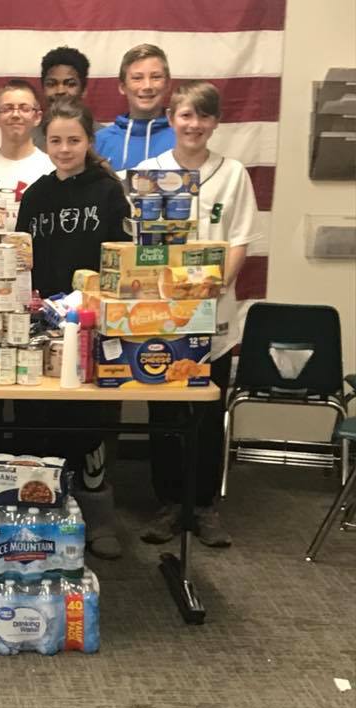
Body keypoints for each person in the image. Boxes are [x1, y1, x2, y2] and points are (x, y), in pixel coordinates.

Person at [137, 81, 259, 548]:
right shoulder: (150, 172)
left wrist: (212, 288)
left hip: (214, 314)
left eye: (204, 117)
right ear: (171, 118)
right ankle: (168, 504)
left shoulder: (233, 173)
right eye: (186, 115)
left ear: (215, 123)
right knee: (164, 413)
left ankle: (204, 507)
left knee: (207, 413)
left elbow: (241, 239)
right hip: (161, 313)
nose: (194, 125)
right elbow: (143, 244)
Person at [15, 98, 131, 559]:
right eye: (56, 140)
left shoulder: (108, 191)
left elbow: (121, 262)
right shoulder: (38, 194)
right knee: (38, 421)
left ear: (89, 141)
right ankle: (44, 515)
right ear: (45, 141)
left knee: (89, 427)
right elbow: (22, 261)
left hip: (91, 325)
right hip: (43, 327)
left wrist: (91, 301)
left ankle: (99, 517)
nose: (64, 149)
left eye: (74, 140)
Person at [94, 44, 174, 172]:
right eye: (137, 78)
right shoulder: (99, 141)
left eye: (156, 77)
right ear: (122, 86)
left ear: (168, 84)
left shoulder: (183, 139)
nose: (147, 86)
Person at [0, 79, 54, 200]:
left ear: (37, 117)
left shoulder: (51, 168)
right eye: (7, 109)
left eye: (24, 108)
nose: (15, 115)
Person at [35, 46, 92, 151]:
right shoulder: (28, 140)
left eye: (70, 84)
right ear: (43, 89)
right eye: (51, 84)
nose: (60, 91)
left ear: (84, 90)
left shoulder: (103, 138)